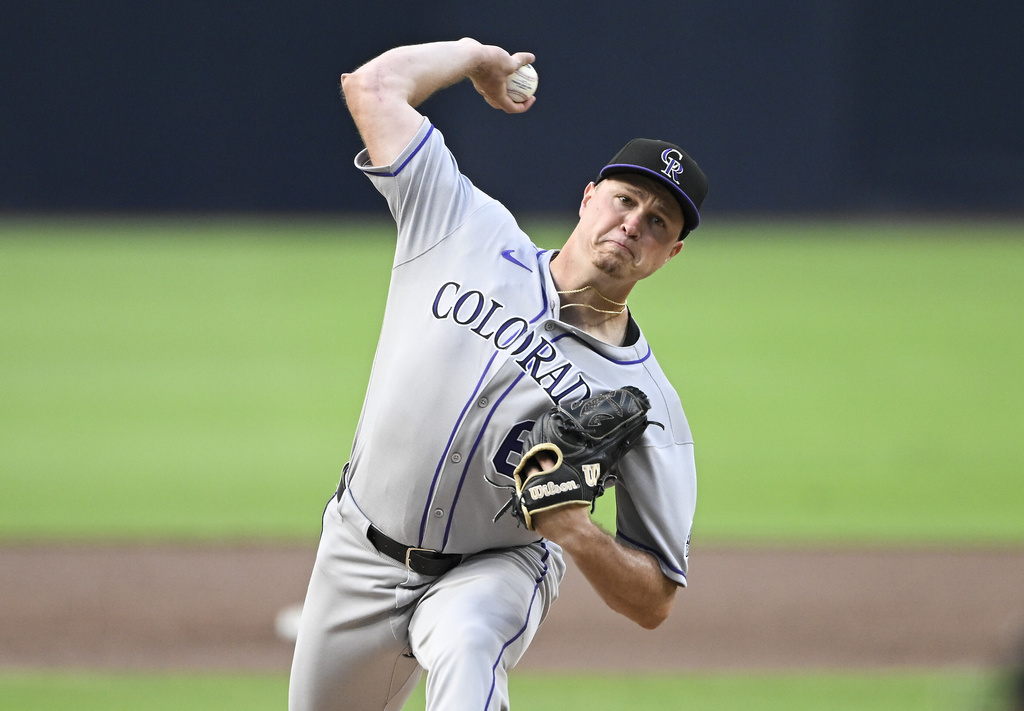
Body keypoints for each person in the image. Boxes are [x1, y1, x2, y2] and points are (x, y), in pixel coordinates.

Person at [288, 38, 709, 711]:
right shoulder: (465, 228)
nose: (634, 224)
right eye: (625, 200)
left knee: (468, 651)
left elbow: (655, 598)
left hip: (494, 569)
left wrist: (576, 532)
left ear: (671, 253)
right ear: (589, 197)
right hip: (356, 551)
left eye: (657, 221)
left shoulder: (649, 403)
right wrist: (474, 56)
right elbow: (371, 87)